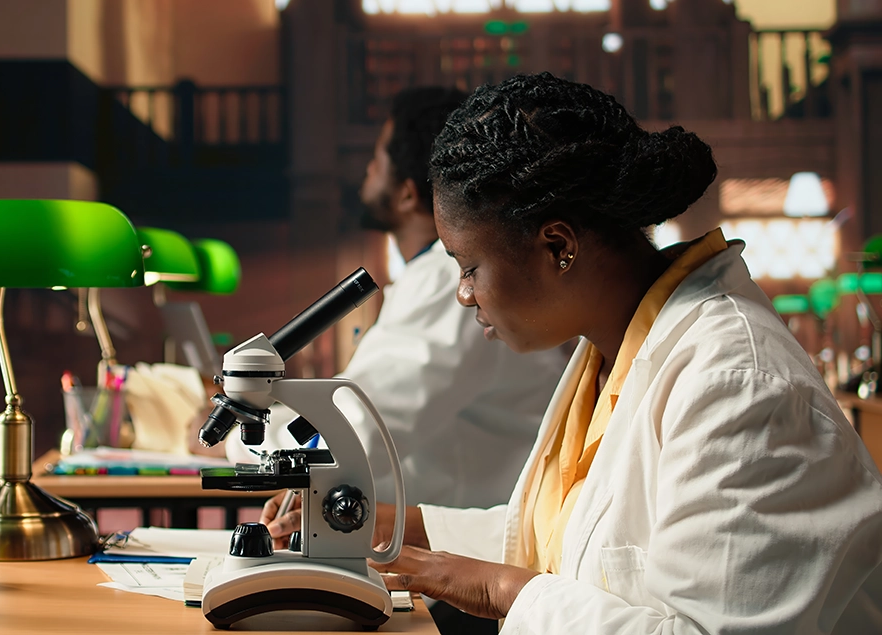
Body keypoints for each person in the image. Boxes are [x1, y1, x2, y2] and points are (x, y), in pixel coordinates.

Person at [262, 73, 882, 632]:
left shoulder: (734, 381)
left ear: (558, 245)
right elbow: (561, 542)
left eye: (470, 266)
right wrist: (390, 527)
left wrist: (494, 588)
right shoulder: (613, 348)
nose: (462, 294)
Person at [219, 87, 567, 511]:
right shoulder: (436, 274)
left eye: (377, 159)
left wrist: (242, 440)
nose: (366, 169)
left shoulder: (443, 278)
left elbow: (358, 430)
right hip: (441, 528)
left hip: (465, 539)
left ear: (407, 192)